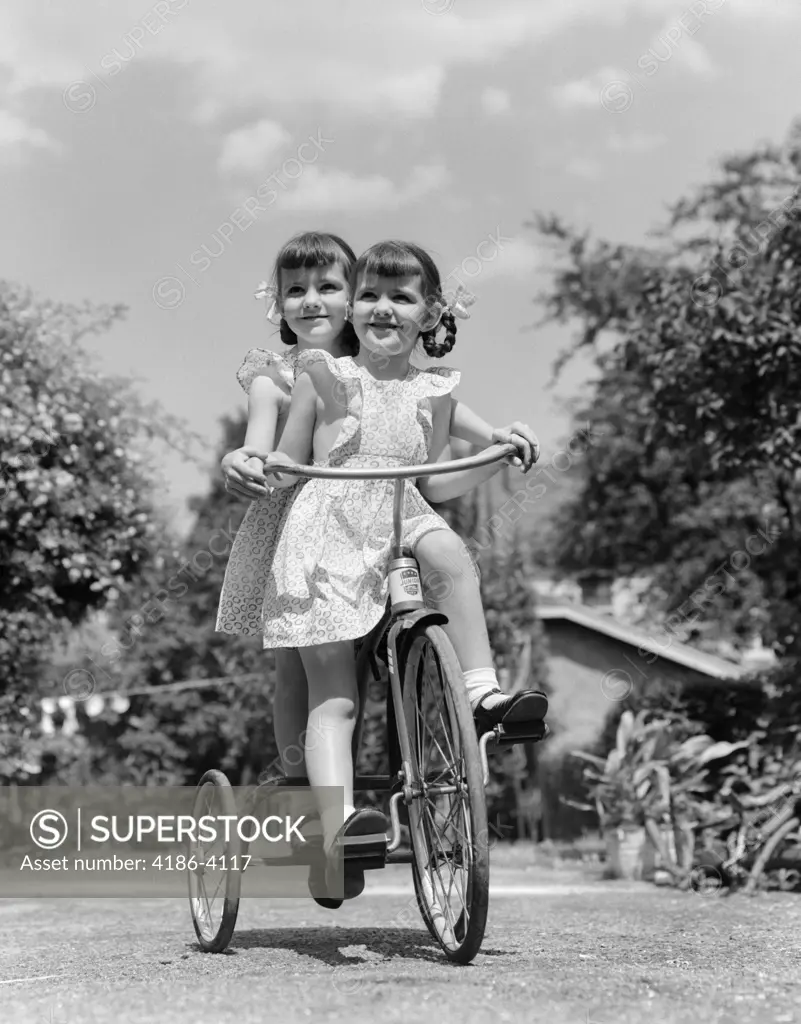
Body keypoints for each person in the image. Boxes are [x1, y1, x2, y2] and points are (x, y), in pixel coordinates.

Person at [259, 239, 548, 891]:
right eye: (368, 295)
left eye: (401, 297)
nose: (382, 309)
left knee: (448, 549)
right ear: (352, 310)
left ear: (431, 312)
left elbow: (440, 482)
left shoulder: (437, 389)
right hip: (330, 525)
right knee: (333, 696)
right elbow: (286, 459)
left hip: (404, 509)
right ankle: (335, 828)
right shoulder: (323, 377)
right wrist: (262, 466)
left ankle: (479, 690)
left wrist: (501, 448)